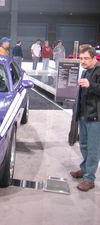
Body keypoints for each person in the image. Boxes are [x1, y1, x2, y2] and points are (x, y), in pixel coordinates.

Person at [70, 44, 100, 192]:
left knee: (93, 149)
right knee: (83, 145)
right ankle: (84, 168)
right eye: (81, 58)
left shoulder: (98, 71)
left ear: (94, 57)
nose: (82, 61)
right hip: (84, 114)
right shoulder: (86, 71)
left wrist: (91, 85)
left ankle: (89, 179)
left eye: (86, 58)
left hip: (95, 117)